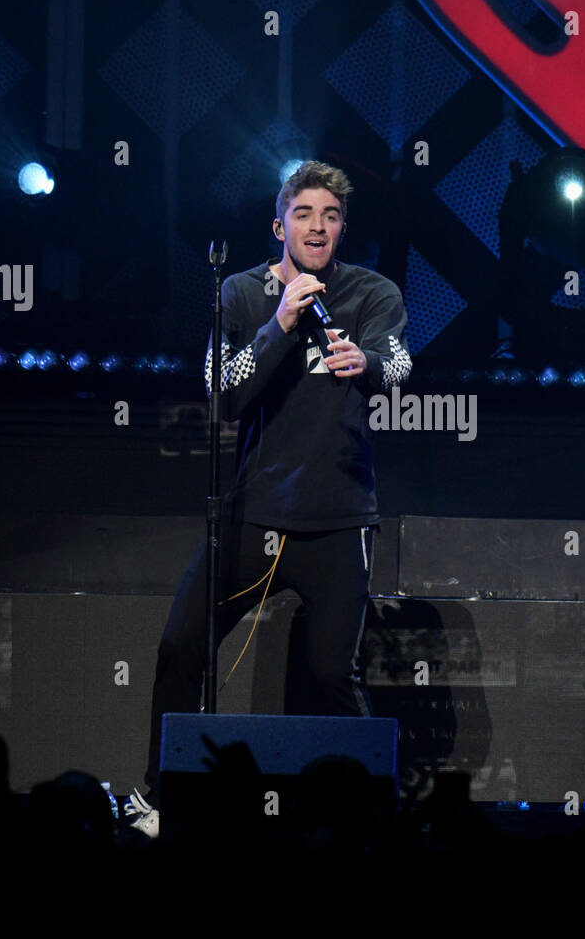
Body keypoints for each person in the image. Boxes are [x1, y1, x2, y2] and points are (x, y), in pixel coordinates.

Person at [131, 161, 412, 834]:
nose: (318, 226)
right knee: (179, 648)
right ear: (279, 223)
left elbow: (398, 362)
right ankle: (162, 797)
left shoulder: (371, 293)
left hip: (338, 518)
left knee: (330, 673)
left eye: (331, 216)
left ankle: (379, 813)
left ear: (342, 228)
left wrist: (367, 363)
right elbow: (219, 391)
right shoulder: (240, 292)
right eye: (305, 214)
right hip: (252, 514)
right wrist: (279, 325)